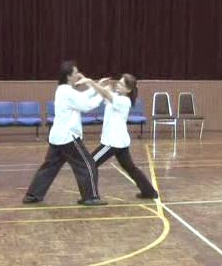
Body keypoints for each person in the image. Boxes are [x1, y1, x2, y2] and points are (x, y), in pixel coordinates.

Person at [22, 60, 106, 206]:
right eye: (75, 73)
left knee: (49, 167)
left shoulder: (63, 89)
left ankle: (32, 195)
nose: (78, 76)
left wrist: (98, 86)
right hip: (68, 138)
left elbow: (82, 97)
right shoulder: (67, 92)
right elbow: (87, 105)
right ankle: (90, 197)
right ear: (68, 76)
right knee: (87, 164)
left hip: (57, 137)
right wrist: (103, 94)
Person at [76, 74, 158, 202]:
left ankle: (91, 197)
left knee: (89, 164)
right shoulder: (117, 97)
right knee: (130, 168)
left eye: (121, 84)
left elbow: (105, 93)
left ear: (128, 90)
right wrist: (100, 84)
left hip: (112, 143)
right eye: (118, 82)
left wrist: (90, 81)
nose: (117, 85)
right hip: (120, 142)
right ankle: (149, 191)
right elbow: (104, 93)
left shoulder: (123, 101)